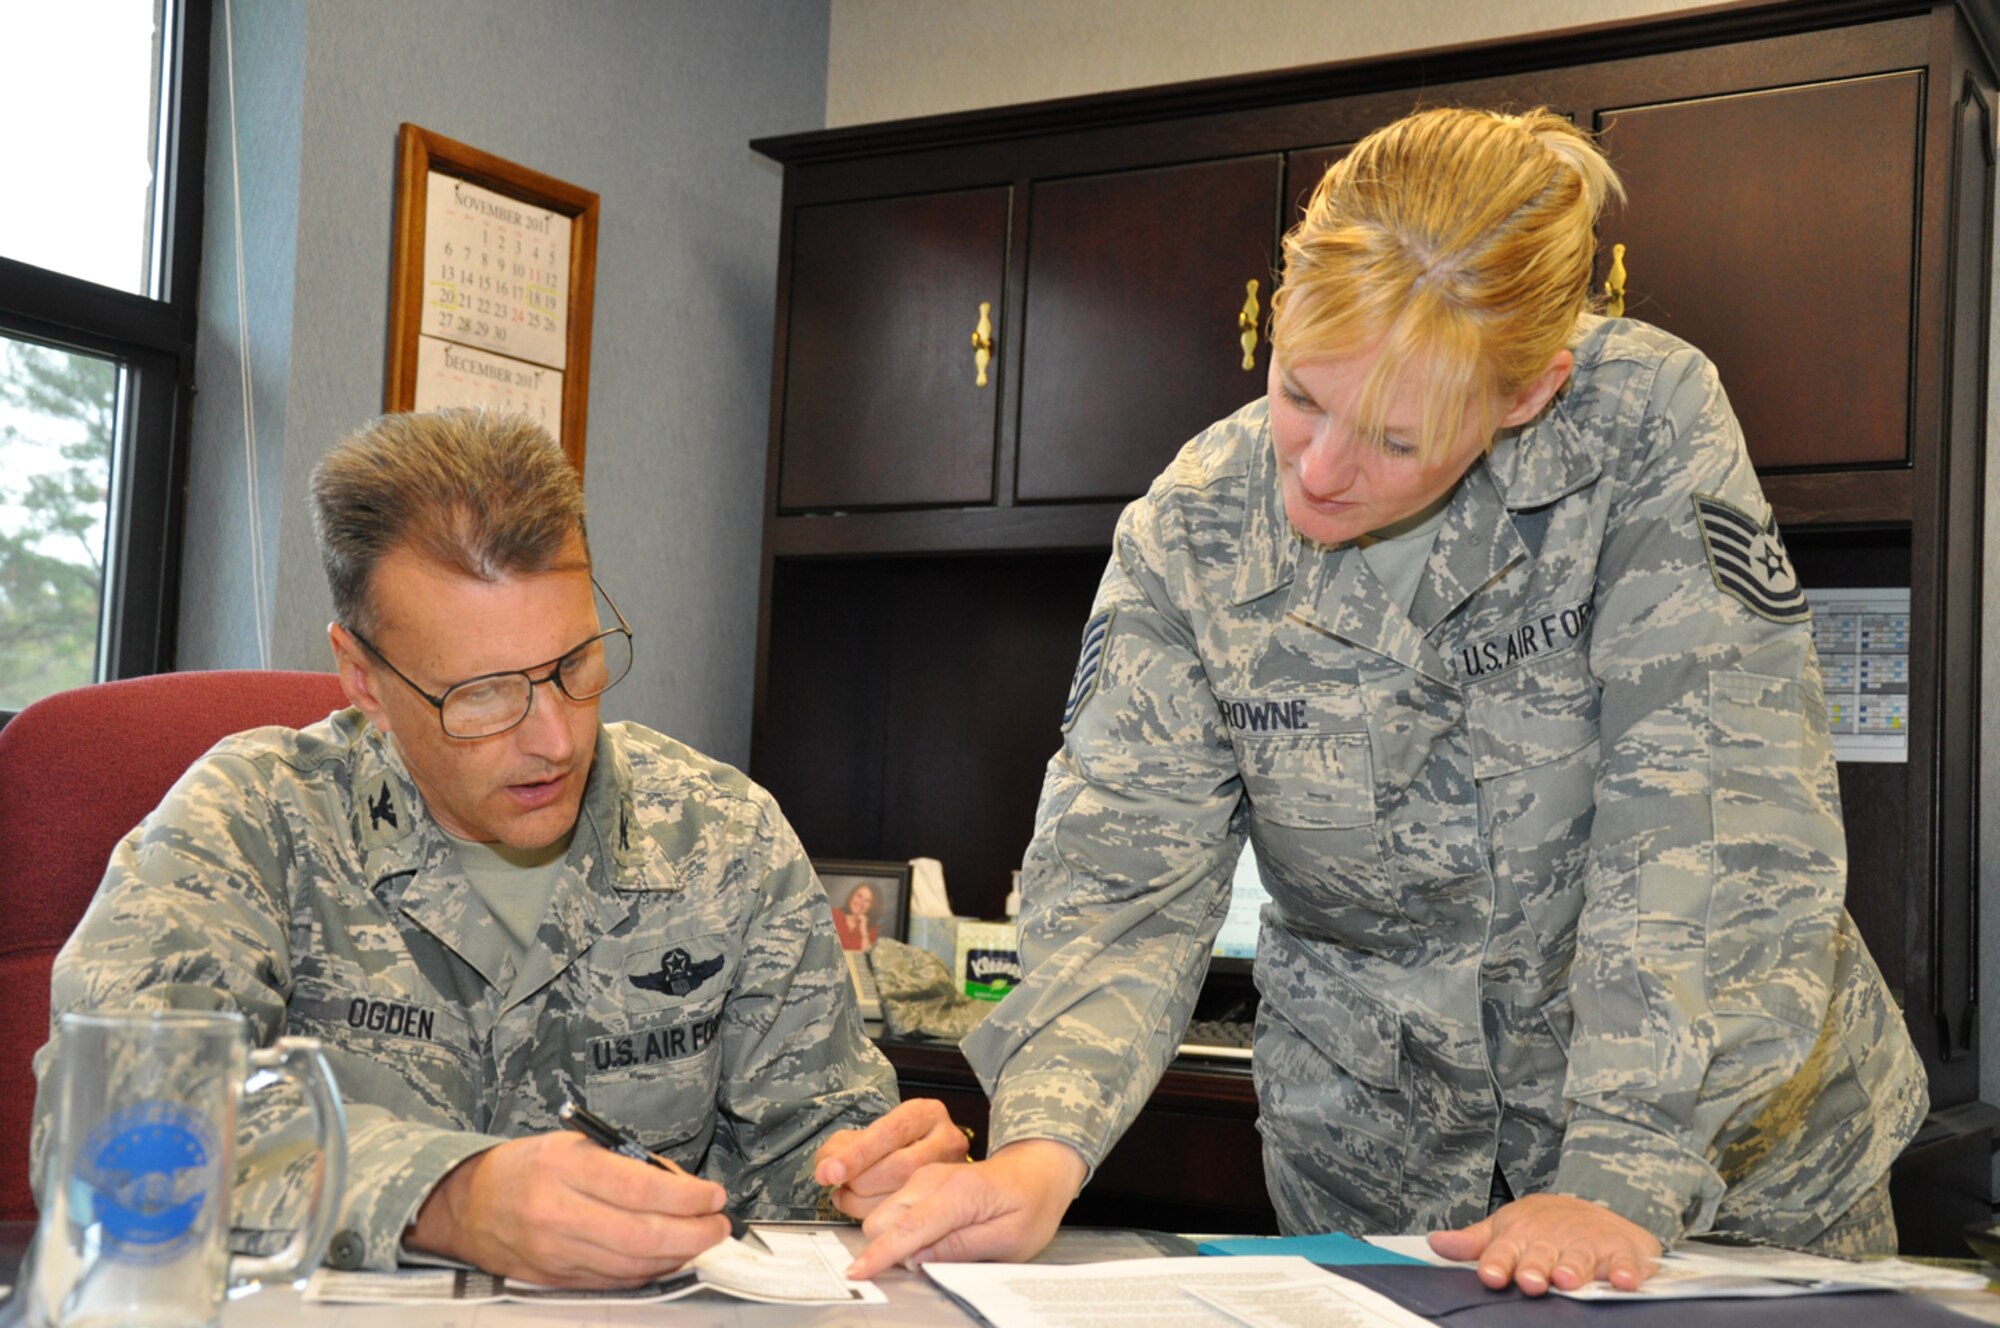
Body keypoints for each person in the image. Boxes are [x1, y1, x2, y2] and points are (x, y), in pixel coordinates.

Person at [831, 107, 1928, 1292]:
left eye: (1395, 440)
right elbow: (1122, 874)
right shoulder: (1194, 528)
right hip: (1384, 1186)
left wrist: (1618, 1173)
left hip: (1713, 1174)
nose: (1315, 469)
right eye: (1299, 393)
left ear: (1528, 393)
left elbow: (1706, 819)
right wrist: (1038, 1148)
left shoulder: (1637, 430)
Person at [30, 410, 966, 1287]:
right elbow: (105, 1129)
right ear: (362, 676)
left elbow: (811, 1147)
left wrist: (874, 1177)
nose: (555, 739)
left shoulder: (724, 838)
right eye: (481, 694)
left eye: (575, 664)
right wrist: (446, 1198)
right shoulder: (252, 822)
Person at [834, 882, 881, 950]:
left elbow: (866, 955)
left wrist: (863, 930)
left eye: (867, 901)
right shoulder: (833, 915)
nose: (861, 903)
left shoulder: (872, 929)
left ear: (872, 906)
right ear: (852, 895)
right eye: (859, 896)